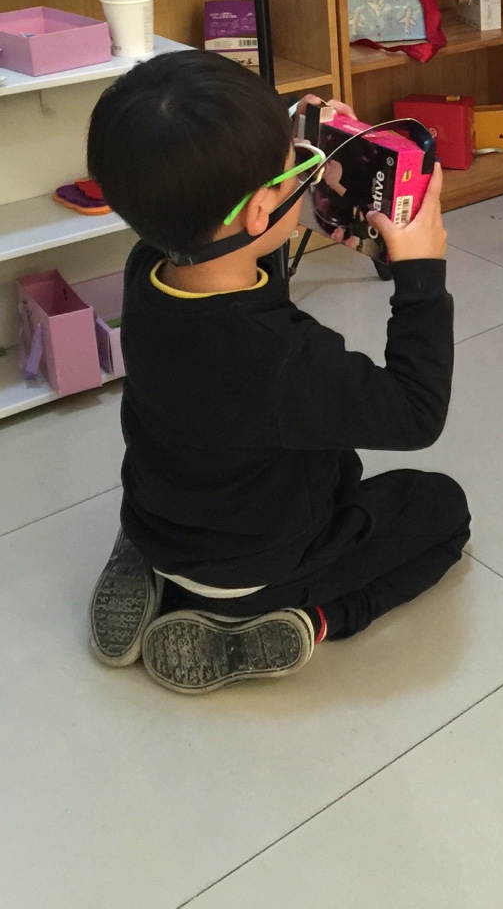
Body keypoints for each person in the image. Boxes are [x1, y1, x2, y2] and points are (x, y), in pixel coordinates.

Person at [84, 51, 468, 694]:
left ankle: (149, 564)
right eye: (299, 162)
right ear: (261, 211)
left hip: (158, 522)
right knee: (442, 508)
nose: (307, 165)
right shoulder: (286, 358)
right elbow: (416, 414)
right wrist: (420, 274)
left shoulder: (148, 267)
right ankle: (310, 620)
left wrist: (294, 151)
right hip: (256, 572)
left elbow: (240, 253)